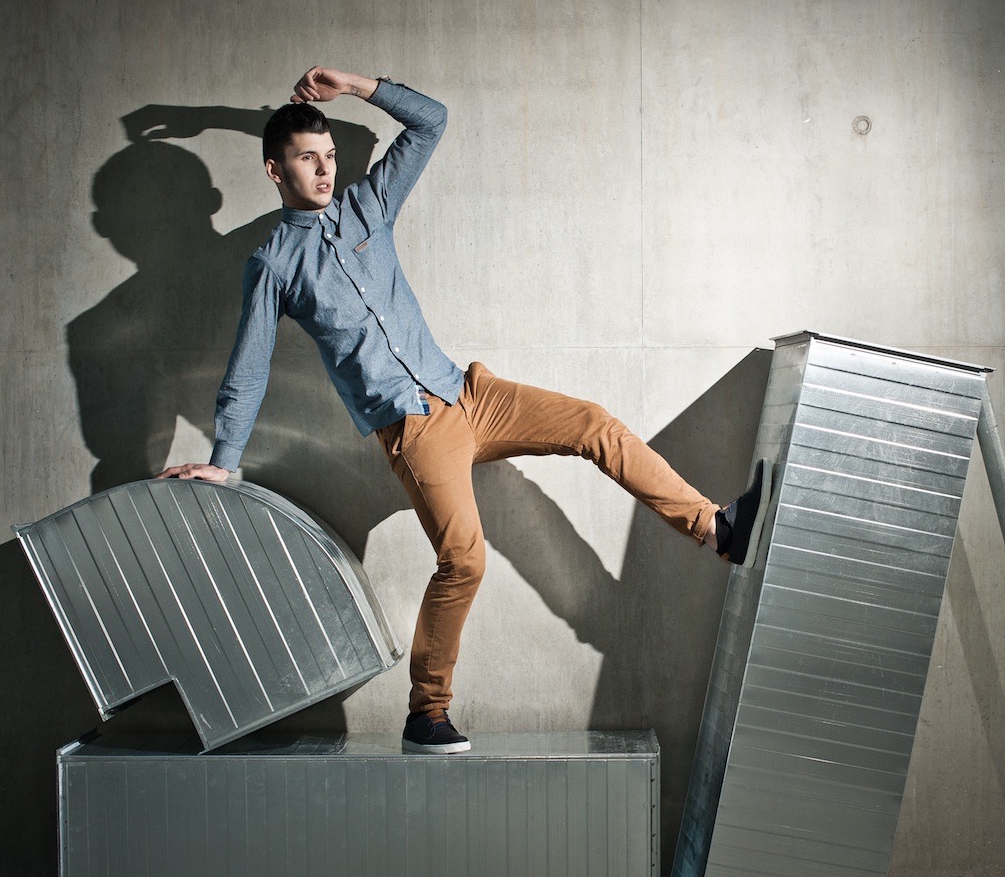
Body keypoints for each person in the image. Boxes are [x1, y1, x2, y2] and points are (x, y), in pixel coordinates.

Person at [158, 67, 770, 754]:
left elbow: (432, 120)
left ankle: (718, 529)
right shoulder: (272, 264)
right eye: (308, 158)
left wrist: (357, 86)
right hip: (414, 428)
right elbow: (249, 366)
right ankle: (427, 713)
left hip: (467, 393)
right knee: (465, 560)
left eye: (330, 156)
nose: (326, 170)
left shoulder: (368, 207)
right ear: (275, 170)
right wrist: (225, 465)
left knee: (594, 424)